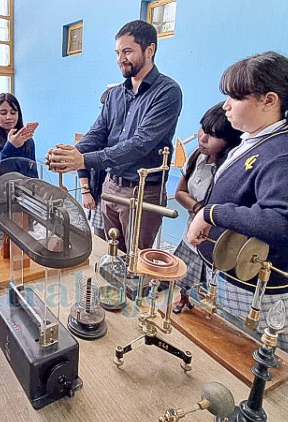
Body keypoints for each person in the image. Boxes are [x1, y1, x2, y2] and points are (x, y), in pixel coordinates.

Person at [187, 51, 288, 360]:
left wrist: (211, 212)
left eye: (234, 98)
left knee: (256, 374)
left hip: (258, 295)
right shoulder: (256, 140)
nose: (225, 106)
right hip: (231, 280)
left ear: (269, 100)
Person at [47, 20, 182, 253]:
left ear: (149, 50)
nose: (120, 58)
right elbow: (98, 132)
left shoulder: (167, 92)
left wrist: (84, 161)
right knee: (104, 251)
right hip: (110, 185)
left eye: (127, 51)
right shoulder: (114, 95)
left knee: (135, 260)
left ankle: (134, 290)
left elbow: (140, 144)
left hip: (142, 190)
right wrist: (69, 154)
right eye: (118, 52)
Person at [172, 102, 241, 307]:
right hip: (190, 235)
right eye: (203, 128)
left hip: (212, 245)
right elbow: (179, 193)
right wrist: (199, 210)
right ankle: (183, 302)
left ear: (229, 141)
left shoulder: (229, 171)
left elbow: (221, 214)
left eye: (213, 135)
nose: (203, 137)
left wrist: (203, 214)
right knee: (183, 281)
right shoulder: (197, 157)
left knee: (206, 297)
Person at [0, 92, 36, 248]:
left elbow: (32, 175)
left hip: (21, 207)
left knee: (21, 254)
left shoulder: (28, 142)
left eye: (13, 112)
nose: (9, 117)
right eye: (3, 112)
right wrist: (10, 147)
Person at [79, 86, 115, 241]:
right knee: (101, 238)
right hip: (100, 194)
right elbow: (81, 159)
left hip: (120, 196)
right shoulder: (98, 133)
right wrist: (86, 192)